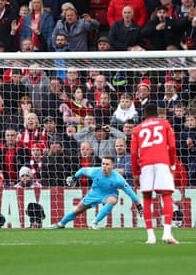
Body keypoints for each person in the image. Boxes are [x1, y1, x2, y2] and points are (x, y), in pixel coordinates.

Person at [131, 103, 180, 244]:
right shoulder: (164, 124)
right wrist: (172, 164)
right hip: (162, 162)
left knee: (147, 197)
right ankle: (166, 234)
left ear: (144, 114)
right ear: (157, 114)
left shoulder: (137, 129)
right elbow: (172, 146)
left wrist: (135, 173)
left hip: (145, 164)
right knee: (166, 195)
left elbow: (134, 153)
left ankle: (150, 237)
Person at [48, 156, 142, 229]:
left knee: (113, 200)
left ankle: (94, 222)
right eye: (103, 163)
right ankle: (61, 224)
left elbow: (130, 192)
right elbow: (82, 170)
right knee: (77, 210)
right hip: (94, 193)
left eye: (107, 164)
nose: (104, 166)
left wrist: (139, 206)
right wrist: (74, 177)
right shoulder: (95, 171)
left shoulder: (118, 179)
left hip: (109, 194)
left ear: (113, 166)